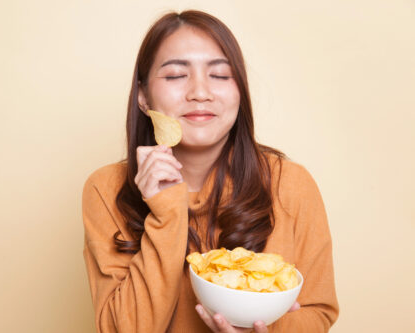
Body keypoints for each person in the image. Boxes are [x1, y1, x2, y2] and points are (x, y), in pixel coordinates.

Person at [82, 10, 339, 333]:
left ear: (240, 92)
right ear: (143, 97)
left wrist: (265, 328)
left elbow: (318, 310)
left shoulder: (290, 183)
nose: (200, 92)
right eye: (175, 75)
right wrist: (166, 212)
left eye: (220, 76)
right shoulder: (106, 189)